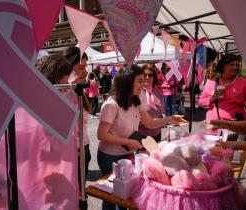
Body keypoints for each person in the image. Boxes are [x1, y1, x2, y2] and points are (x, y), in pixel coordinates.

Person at [97, 64, 187, 210]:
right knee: (111, 196)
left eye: (144, 80)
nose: (144, 84)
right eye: (140, 81)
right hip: (109, 156)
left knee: (125, 194)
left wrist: (171, 119)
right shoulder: (111, 104)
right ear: (127, 80)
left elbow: (150, 123)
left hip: (127, 154)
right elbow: (101, 135)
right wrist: (127, 141)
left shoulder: (135, 101)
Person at [63, 46, 91, 210]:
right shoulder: (63, 90)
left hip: (84, 147)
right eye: (80, 67)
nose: (84, 72)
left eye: (85, 67)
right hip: (71, 151)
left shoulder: (78, 89)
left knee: (81, 195)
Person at [198, 53, 246, 121]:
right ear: (223, 66)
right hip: (213, 126)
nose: (235, 67)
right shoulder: (212, 82)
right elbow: (200, 102)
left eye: (237, 65)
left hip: (235, 126)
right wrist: (212, 98)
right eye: (232, 65)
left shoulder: (243, 83)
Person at [138, 65, 165, 142]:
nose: (147, 77)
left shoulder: (158, 92)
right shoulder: (137, 92)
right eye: (145, 75)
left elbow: (162, 109)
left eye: (150, 75)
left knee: (156, 153)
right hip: (142, 133)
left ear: (154, 77)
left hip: (157, 132)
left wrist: (163, 118)